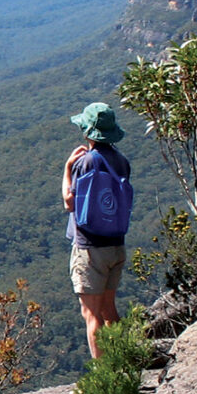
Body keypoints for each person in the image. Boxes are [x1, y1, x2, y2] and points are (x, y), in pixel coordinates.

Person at [62, 102, 132, 357]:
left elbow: (69, 202)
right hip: (116, 244)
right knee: (108, 310)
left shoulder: (86, 161)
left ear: (87, 131)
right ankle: (125, 363)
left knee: (91, 315)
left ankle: (104, 379)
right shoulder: (121, 161)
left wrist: (67, 169)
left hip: (89, 248)